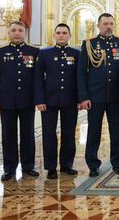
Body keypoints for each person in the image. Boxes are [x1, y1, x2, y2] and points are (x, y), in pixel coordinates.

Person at [77, 13, 119, 177]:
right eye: (105, 24)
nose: (108, 26)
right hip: (95, 97)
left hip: (116, 96)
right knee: (93, 132)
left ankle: (118, 162)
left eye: (111, 24)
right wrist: (84, 96)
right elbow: (81, 73)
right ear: (98, 25)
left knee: (117, 131)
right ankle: (93, 164)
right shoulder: (89, 44)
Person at [0, 21, 40, 181]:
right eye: (14, 30)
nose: (17, 33)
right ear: (8, 33)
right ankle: (9, 168)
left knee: (28, 135)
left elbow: (38, 79)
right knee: (8, 135)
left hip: (27, 100)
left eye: (20, 30)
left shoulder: (34, 52)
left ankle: (28, 166)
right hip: (6, 101)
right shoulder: (0, 52)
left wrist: (38, 99)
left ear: (25, 33)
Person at [34, 23, 80, 179]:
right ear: (54, 35)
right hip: (49, 100)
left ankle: (67, 165)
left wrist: (80, 99)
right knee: (49, 134)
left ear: (69, 35)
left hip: (70, 100)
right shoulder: (45, 53)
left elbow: (80, 79)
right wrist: (39, 100)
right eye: (58, 33)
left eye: (64, 33)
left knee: (69, 133)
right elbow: (38, 79)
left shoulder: (76, 54)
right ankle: (51, 167)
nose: (61, 35)